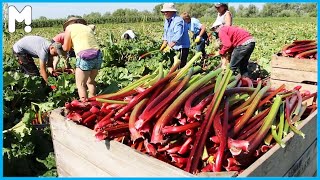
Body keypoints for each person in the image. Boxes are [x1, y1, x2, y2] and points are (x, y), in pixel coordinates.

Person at [62, 17, 102, 101]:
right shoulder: (87, 27)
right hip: (97, 54)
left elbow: (66, 48)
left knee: (80, 84)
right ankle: (93, 101)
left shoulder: (69, 28)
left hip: (85, 56)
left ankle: (85, 105)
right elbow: (93, 26)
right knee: (90, 82)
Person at [159, 3, 190, 67]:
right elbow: (166, 32)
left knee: (180, 66)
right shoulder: (167, 20)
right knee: (173, 66)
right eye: (164, 12)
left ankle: (182, 76)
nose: (165, 13)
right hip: (173, 47)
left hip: (181, 47)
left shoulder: (178, 20)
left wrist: (169, 46)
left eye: (166, 11)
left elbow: (178, 34)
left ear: (172, 11)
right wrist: (164, 43)